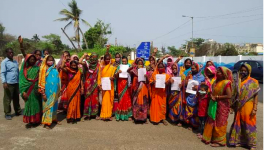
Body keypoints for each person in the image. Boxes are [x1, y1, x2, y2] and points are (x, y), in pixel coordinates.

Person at [229, 64, 260, 150]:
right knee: (239, 123)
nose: (243, 72)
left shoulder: (254, 82)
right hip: (239, 107)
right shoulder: (237, 81)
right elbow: (234, 95)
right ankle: (239, 141)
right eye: (241, 70)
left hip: (248, 106)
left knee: (249, 124)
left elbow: (256, 96)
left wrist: (255, 108)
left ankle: (251, 144)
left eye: (245, 71)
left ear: (249, 71)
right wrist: (232, 106)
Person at [202, 67, 233, 147]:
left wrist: (217, 97)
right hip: (214, 103)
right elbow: (212, 91)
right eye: (217, 71)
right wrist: (211, 95)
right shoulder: (215, 81)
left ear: (224, 74)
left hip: (223, 105)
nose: (217, 73)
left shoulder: (226, 83)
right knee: (212, 119)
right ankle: (210, 137)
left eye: (219, 72)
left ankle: (220, 141)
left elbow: (229, 95)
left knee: (220, 122)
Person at [38, 55, 61, 129]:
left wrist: (59, 90)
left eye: (51, 60)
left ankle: (53, 119)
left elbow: (58, 79)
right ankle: (47, 122)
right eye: (49, 60)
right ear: (45, 60)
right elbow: (41, 82)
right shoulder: (43, 69)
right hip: (47, 91)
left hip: (55, 91)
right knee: (48, 106)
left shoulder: (54, 69)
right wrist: (43, 93)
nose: (50, 61)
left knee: (54, 106)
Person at [19, 54, 41, 128]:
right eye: (31, 59)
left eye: (34, 59)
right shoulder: (24, 70)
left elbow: (40, 79)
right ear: (27, 60)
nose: (32, 60)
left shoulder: (37, 68)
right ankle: (30, 121)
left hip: (35, 89)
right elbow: (22, 81)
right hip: (27, 90)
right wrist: (23, 91)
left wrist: (39, 88)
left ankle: (36, 121)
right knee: (28, 104)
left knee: (36, 104)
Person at [1, 48, 21, 120]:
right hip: (8, 83)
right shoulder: (4, 62)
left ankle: (18, 111)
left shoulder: (15, 62)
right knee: (7, 99)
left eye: (12, 52)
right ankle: (7, 113)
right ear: (6, 53)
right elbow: (3, 73)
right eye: (9, 53)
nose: (11, 54)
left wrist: (19, 81)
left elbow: (17, 72)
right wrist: (4, 82)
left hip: (16, 82)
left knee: (16, 98)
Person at [183, 62, 205, 129]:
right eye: (192, 68)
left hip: (196, 96)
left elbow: (203, 88)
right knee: (188, 109)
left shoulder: (202, 77)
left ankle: (194, 124)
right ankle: (187, 123)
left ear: (197, 68)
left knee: (194, 110)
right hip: (189, 94)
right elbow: (185, 84)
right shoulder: (190, 75)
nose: (193, 70)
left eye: (194, 68)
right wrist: (187, 76)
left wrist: (198, 88)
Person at [98, 53, 116, 121]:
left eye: (109, 59)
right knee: (105, 100)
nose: (107, 60)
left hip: (110, 85)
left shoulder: (112, 67)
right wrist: (99, 83)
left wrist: (113, 78)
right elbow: (99, 76)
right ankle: (103, 114)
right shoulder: (101, 66)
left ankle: (109, 115)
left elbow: (114, 76)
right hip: (104, 85)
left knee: (110, 99)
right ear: (104, 59)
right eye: (106, 59)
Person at [130, 58, 149, 123]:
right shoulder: (134, 70)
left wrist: (146, 77)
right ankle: (136, 117)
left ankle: (143, 118)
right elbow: (128, 71)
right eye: (139, 64)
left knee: (143, 103)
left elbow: (147, 81)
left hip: (143, 88)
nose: (140, 65)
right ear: (137, 64)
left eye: (141, 64)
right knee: (136, 102)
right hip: (136, 88)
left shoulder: (145, 70)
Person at [83, 53, 100, 120]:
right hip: (88, 84)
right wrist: (83, 56)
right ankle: (86, 114)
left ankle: (94, 114)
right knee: (87, 99)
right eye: (92, 57)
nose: (93, 59)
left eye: (95, 57)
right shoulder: (87, 64)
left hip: (95, 84)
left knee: (95, 99)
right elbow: (80, 62)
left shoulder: (98, 65)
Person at [114, 56, 132, 121]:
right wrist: (118, 73)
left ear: (127, 61)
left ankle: (128, 115)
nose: (124, 62)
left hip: (127, 84)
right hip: (120, 83)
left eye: (125, 61)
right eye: (123, 61)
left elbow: (132, 75)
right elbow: (115, 76)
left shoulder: (130, 66)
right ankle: (120, 115)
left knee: (127, 98)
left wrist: (130, 71)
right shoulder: (119, 66)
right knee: (121, 99)